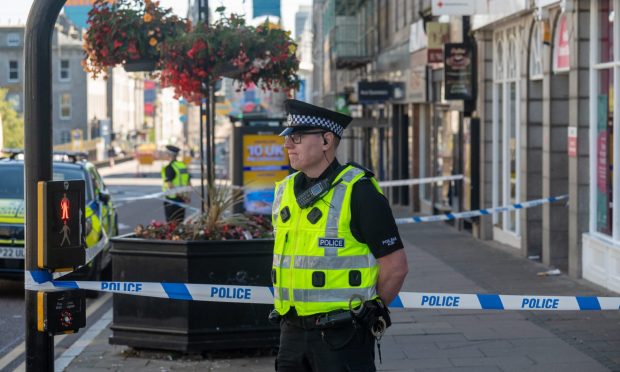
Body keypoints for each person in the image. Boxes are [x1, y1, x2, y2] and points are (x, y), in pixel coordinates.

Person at [271, 99, 409, 371]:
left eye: (297, 137)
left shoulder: (359, 191)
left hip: (343, 335)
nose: (288, 145)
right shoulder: (285, 190)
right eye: (288, 137)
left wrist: (370, 313)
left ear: (326, 140)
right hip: (292, 332)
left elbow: (396, 268)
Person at [161, 145, 190, 223]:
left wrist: (179, 195)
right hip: (182, 199)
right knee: (180, 221)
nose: (165, 155)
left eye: (166, 153)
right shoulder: (182, 166)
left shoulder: (169, 168)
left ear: (169, 155)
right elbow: (189, 183)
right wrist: (186, 197)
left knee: (171, 223)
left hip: (172, 199)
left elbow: (170, 185)